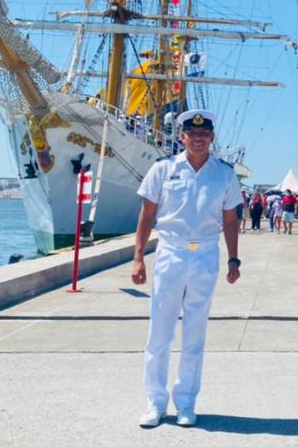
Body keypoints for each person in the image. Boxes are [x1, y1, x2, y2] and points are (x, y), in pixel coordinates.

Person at [131, 109, 242, 428]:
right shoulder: (163, 169)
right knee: (160, 332)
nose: (198, 139)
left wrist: (234, 259)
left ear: (211, 137)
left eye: (204, 134)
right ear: (182, 137)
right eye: (192, 134)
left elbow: (230, 219)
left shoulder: (224, 174)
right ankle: (154, 402)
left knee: (195, 332)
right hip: (170, 253)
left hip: (205, 255)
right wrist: (139, 257)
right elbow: (146, 215)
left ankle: (187, 402)